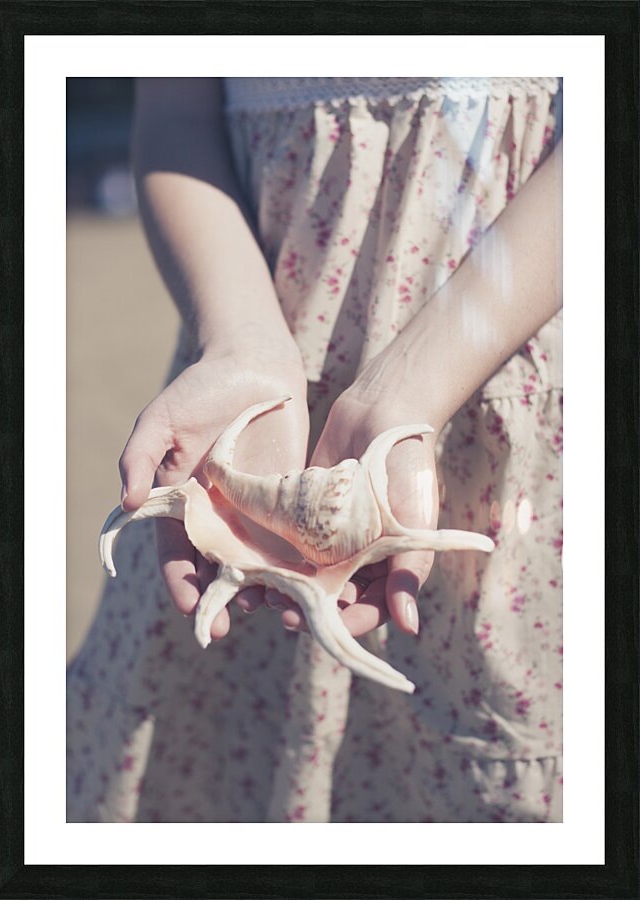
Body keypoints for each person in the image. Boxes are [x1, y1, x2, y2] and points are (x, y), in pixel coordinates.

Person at [67, 76, 563, 823]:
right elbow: (172, 120)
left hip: (489, 357)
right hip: (250, 351)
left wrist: (410, 391)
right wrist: (240, 344)